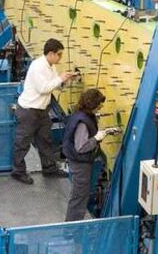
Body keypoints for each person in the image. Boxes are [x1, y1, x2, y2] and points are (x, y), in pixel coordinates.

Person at [11, 38, 77, 184]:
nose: (61, 58)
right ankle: (18, 171)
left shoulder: (51, 66)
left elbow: (54, 86)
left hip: (41, 111)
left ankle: (49, 168)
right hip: (29, 111)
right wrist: (59, 78)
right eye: (59, 55)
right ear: (51, 53)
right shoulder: (38, 66)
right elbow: (43, 88)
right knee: (22, 142)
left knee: (45, 140)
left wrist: (64, 81)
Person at [63, 89, 112, 221]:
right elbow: (81, 147)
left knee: (80, 194)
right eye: (99, 105)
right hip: (80, 164)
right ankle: (72, 228)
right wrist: (96, 138)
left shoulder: (81, 114)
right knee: (79, 196)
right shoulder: (83, 124)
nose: (101, 107)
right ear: (92, 105)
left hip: (78, 161)